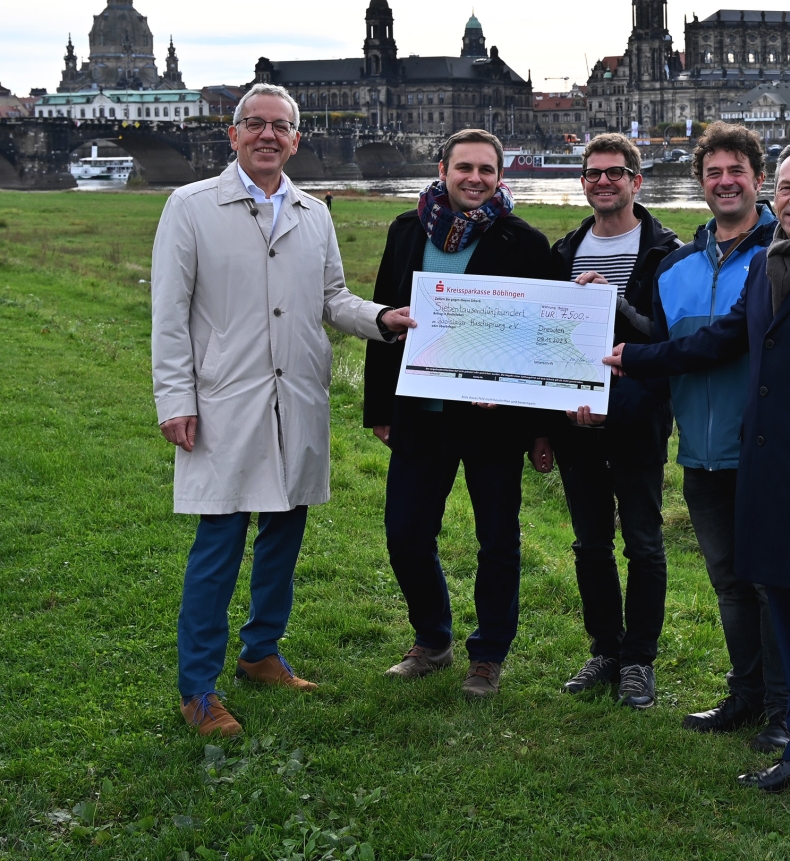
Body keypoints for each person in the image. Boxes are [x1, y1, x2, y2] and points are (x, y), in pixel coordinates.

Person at [607, 142, 790, 829]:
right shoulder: (769, 265)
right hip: (768, 483)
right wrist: (639, 357)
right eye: (787, 187)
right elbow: (722, 340)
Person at [152, 83, 413, 737]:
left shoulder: (312, 212)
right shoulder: (190, 207)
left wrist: (382, 318)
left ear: (297, 140)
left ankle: (262, 652)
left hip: (295, 397)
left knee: (284, 532)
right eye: (256, 124)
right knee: (219, 543)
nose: (269, 135)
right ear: (233, 134)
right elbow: (169, 317)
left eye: (281, 127)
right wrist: (175, 400)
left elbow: (332, 298)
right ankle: (197, 689)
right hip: (224, 401)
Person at [363, 129, 553, 698]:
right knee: (405, 534)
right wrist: (379, 407)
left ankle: (488, 654)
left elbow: (541, 335)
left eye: (486, 170)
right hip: (421, 412)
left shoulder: (524, 240)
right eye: (463, 167)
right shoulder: (405, 231)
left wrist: (538, 421)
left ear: (501, 176)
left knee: (497, 539)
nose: (475, 179)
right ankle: (433, 639)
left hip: (495, 418)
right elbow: (383, 317)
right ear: (442, 168)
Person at [651, 123, 788, 750]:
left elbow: (723, 343)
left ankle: (788, 710)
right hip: (700, 453)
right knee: (729, 581)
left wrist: (634, 354)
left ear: (759, 181)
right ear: (699, 182)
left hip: (763, 451)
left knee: (773, 584)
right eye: (714, 172)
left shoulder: (782, 254)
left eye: (737, 171)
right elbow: (662, 350)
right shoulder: (675, 267)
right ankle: (746, 694)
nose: (725, 181)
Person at [548, 133, 677, 709]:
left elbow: (665, 339)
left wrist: (614, 304)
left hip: (636, 421)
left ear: (636, 181)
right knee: (590, 544)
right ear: (583, 182)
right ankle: (606, 649)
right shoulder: (562, 252)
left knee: (644, 544)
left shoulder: (664, 251)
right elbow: (546, 341)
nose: (604, 182)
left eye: (615, 173)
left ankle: (639, 662)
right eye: (594, 174)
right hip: (575, 421)